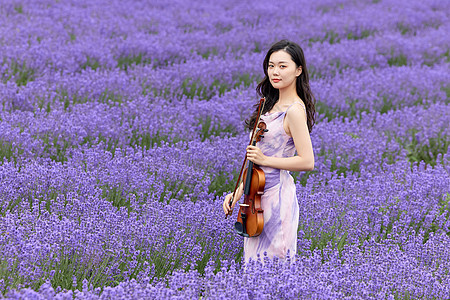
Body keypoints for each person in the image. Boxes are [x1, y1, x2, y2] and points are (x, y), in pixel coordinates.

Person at [222, 39, 316, 262]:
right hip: (255, 198)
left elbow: (307, 161)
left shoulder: (294, 111)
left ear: (298, 70)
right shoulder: (268, 106)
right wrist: (237, 195)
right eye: (271, 65)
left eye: (283, 66)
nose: (275, 72)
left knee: (276, 264)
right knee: (254, 265)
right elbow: (255, 164)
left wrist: (266, 158)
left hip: (277, 197)